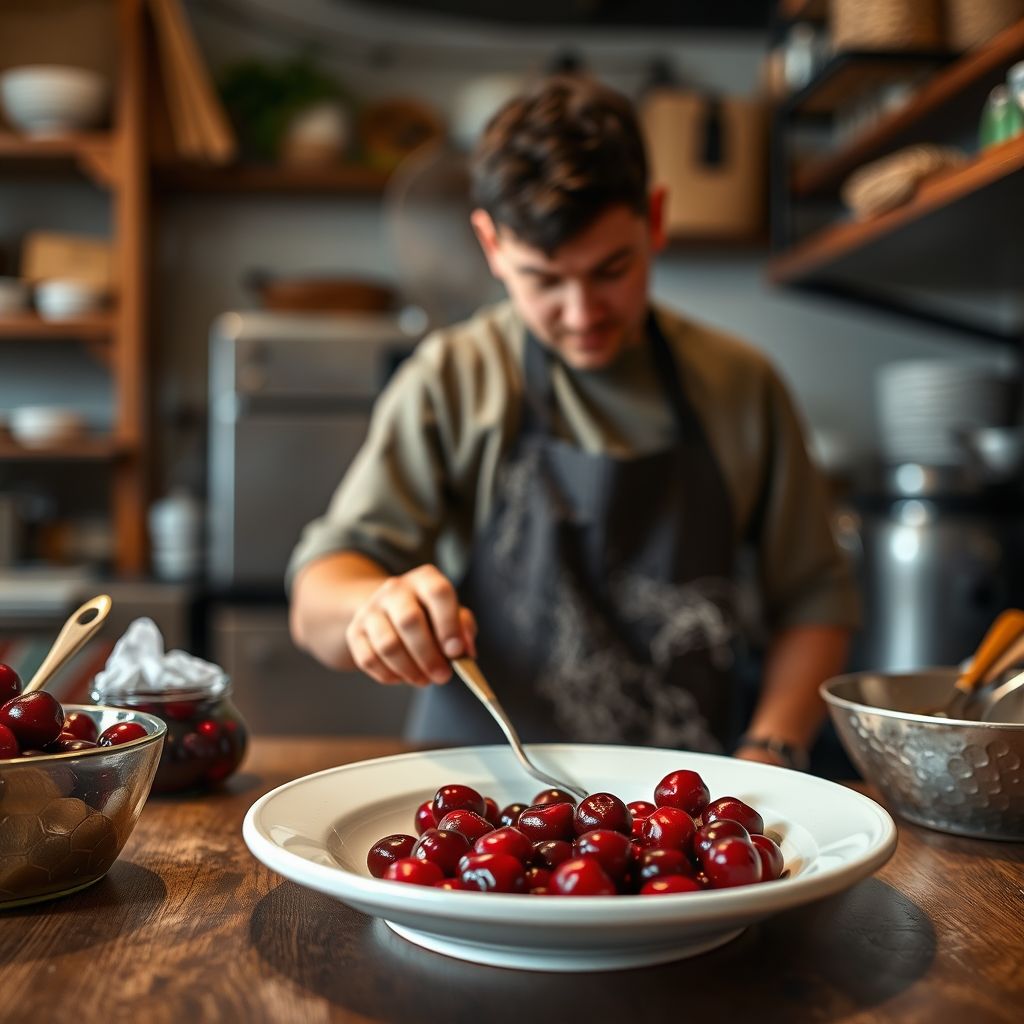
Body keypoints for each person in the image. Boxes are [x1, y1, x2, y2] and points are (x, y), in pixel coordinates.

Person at [287, 75, 859, 769]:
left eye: (611, 269)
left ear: (655, 219)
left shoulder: (742, 385)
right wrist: (373, 608)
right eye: (545, 280)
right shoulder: (454, 377)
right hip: (485, 792)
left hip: (680, 801)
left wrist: (771, 746)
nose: (584, 314)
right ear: (491, 246)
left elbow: (815, 601)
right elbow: (317, 597)